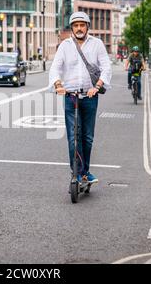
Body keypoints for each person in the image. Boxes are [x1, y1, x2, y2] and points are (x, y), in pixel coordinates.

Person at [49, 11, 112, 184]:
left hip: (90, 96)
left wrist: (97, 87)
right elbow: (55, 68)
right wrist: (58, 85)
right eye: (76, 25)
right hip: (70, 97)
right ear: (72, 28)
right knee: (73, 136)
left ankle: (85, 172)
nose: (79, 28)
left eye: (82, 25)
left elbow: (106, 68)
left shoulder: (97, 44)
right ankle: (75, 171)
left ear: (87, 27)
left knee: (87, 137)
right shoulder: (65, 46)